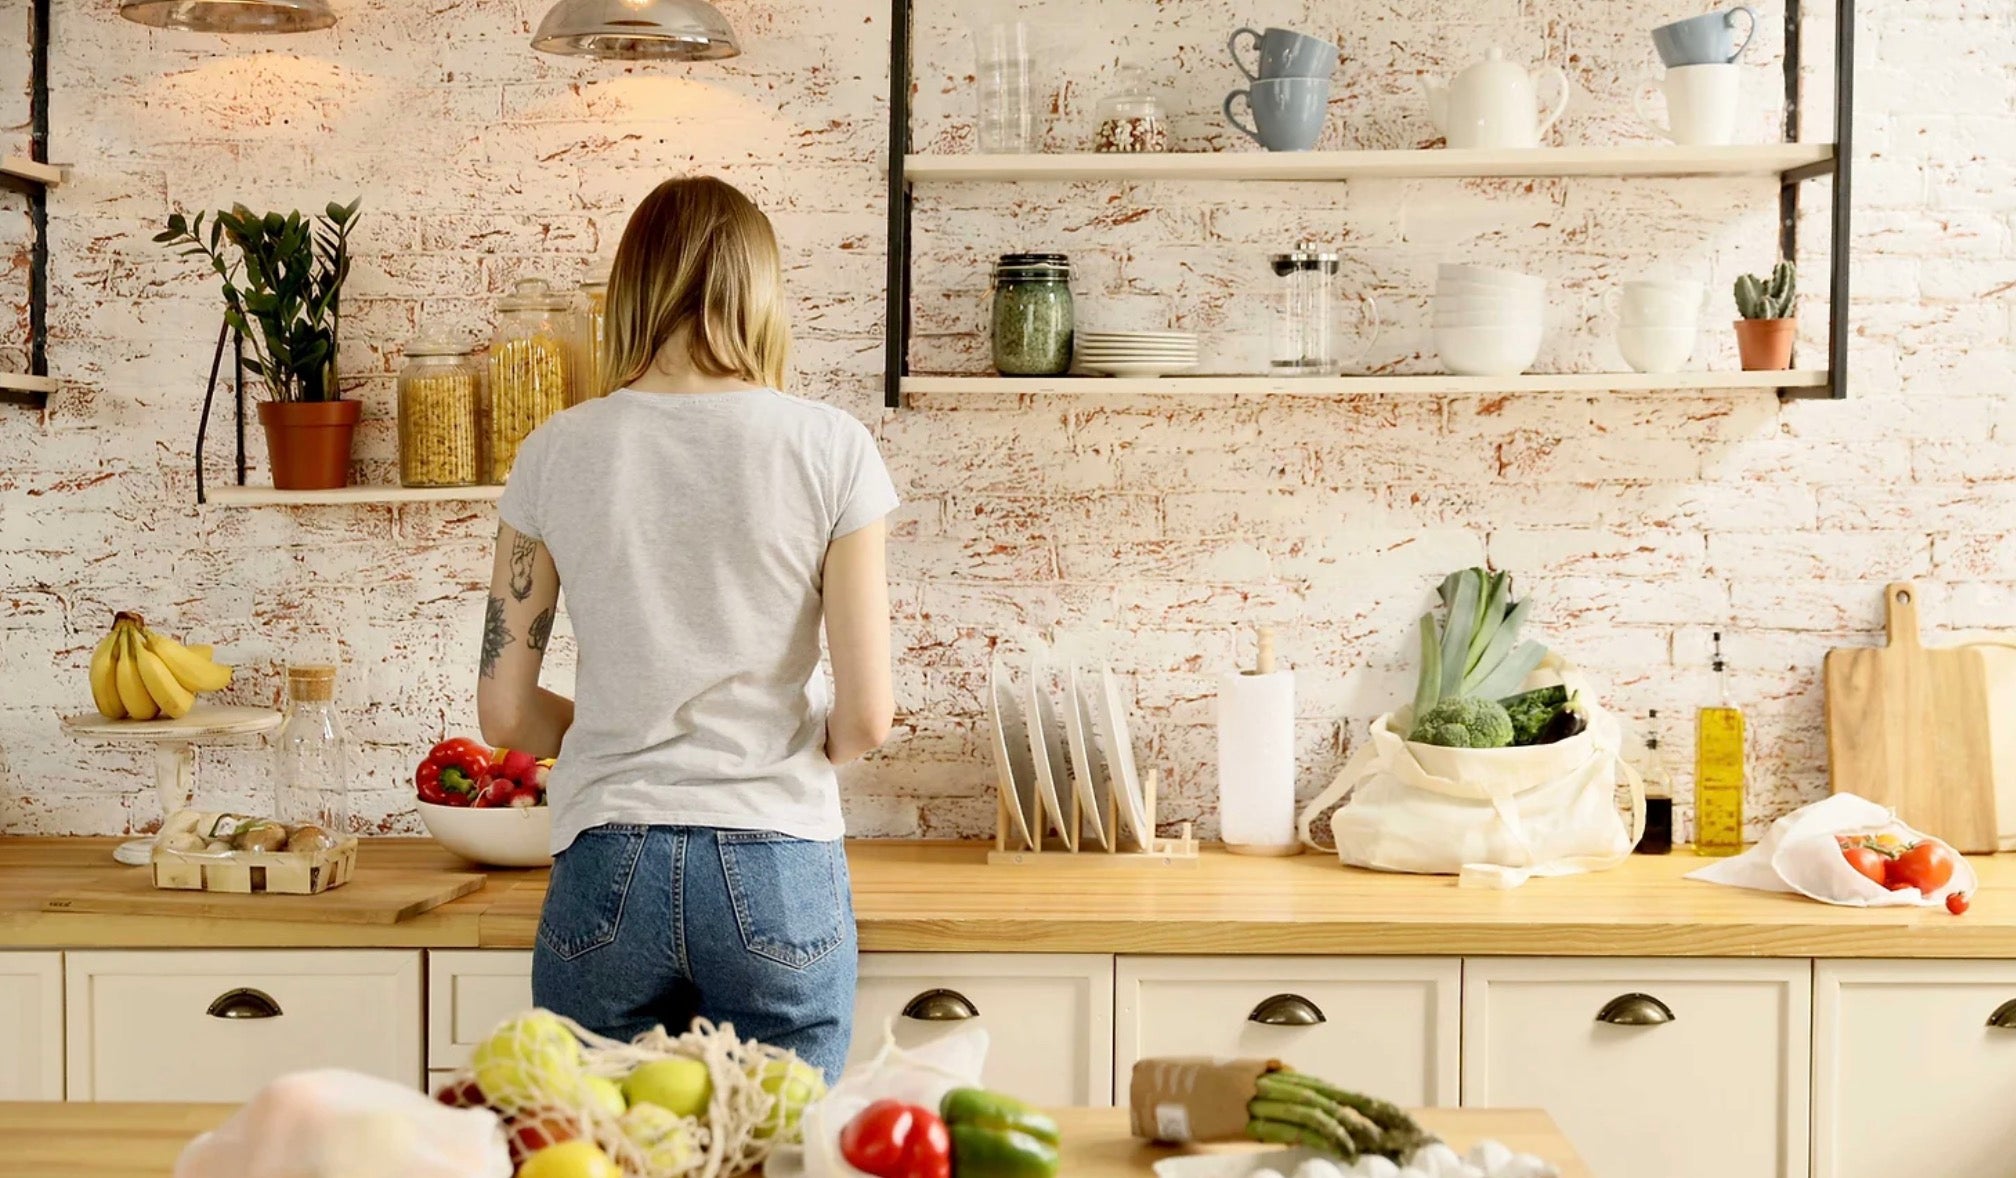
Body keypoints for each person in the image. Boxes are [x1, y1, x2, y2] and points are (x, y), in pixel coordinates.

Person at [475, 176, 897, 1082]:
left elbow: (505, 719)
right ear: (760, 293)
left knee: (599, 1149)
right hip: (776, 860)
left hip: (605, 860)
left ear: (633, 289)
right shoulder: (830, 446)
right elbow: (866, 720)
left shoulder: (556, 450)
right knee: (772, 1149)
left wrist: (619, 724)